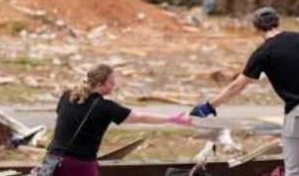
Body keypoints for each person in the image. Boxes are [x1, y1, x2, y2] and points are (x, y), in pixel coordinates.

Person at [190, 7, 299, 176]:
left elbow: (237, 85)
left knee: (293, 170)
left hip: (298, 113)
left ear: (256, 27)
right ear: (278, 22)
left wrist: (210, 106)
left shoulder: (263, 52)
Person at [46, 64, 192, 176]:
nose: (114, 85)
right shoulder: (105, 107)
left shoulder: (67, 96)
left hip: (51, 158)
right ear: (100, 84)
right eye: (111, 81)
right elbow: (140, 117)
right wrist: (172, 119)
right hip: (80, 162)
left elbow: (61, 119)